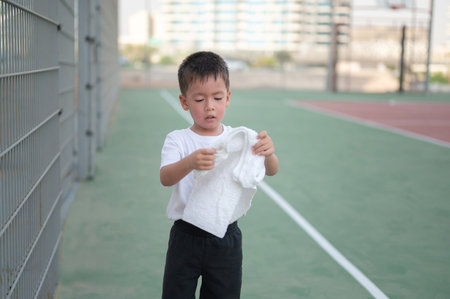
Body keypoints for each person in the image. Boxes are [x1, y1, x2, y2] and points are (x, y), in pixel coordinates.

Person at [160, 51, 279, 299]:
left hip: (226, 237)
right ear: (185, 102)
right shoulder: (178, 139)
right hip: (186, 236)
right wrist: (190, 162)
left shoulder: (240, 137)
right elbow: (166, 177)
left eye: (217, 97)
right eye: (200, 99)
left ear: (228, 98)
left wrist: (268, 153)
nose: (210, 106)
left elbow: (271, 170)